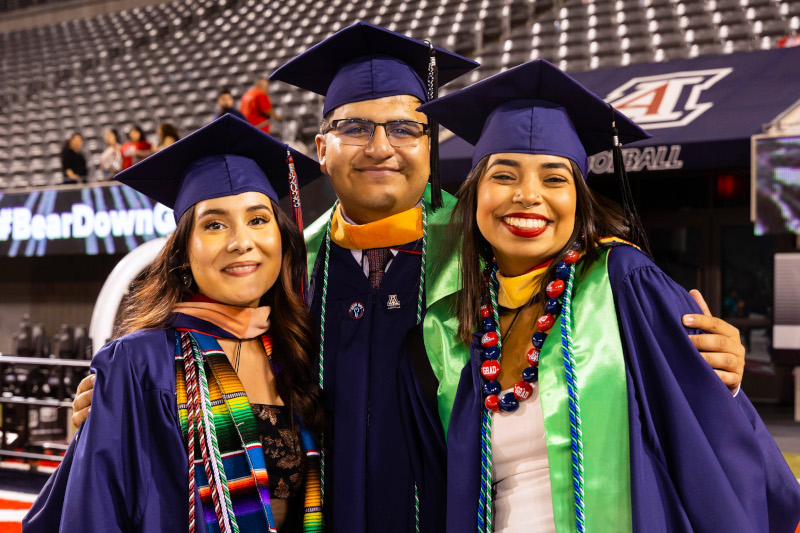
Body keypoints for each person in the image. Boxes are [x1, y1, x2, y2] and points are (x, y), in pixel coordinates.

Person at [71, 22, 749, 533]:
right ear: (321, 147)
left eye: (405, 124)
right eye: (355, 128)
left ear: (434, 143)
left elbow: (604, 321)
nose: (380, 146)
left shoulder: (491, 253)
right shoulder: (287, 268)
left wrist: (707, 363)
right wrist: (122, 406)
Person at [419, 59, 800, 532]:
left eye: (554, 178)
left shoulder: (623, 281)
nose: (527, 195)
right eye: (504, 175)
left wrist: (730, 380)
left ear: (578, 198)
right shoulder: (459, 317)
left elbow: (708, 426)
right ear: (474, 192)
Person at [23, 115, 325, 533]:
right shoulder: (137, 364)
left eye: (258, 219)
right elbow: (94, 511)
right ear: (184, 251)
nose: (241, 241)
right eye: (214, 224)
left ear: (282, 238)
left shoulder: (298, 351)